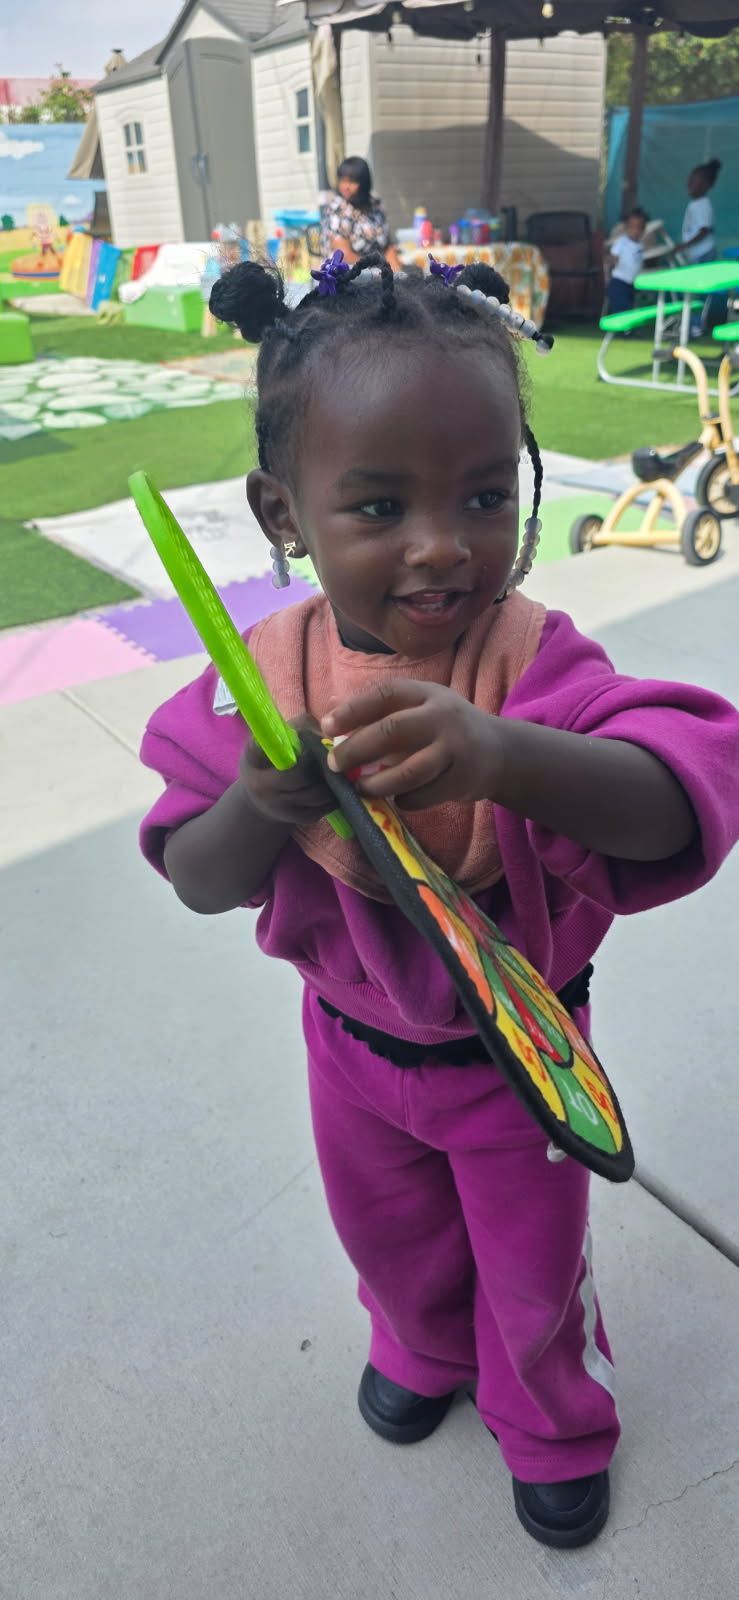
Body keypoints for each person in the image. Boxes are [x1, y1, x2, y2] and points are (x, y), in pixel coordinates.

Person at [139, 250, 739, 1551]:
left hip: (513, 1063)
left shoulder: (528, 660)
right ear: (281, 513)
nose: (438, 547)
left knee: (529, 1275)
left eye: (480, 494)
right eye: (376, 504)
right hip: (347, 1052)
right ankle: (416, 1348)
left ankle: (548, 1421)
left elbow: (680, 791)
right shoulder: (259, 681)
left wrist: (501, 751)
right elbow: (194, 875)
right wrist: (257, 802)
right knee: (388, 1234)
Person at [321, 156, 401, 272]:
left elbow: (387, 245)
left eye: (352, 181)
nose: (346, 187)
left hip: (378, 272)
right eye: (343, 181)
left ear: (364, 183)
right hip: (348, 274)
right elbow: (344, 254)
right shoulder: (338, 209)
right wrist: (376, 270)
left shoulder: (375, 206)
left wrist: (396, 270)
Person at [605, 207, 647, 315]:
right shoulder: (622, 242)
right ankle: (618, 331)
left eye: (639, 228)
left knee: (630, 307)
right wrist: (612, 260)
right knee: (621, 308)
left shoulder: (640, 245)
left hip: (631, 283)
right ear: (626, 228)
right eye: (632, 227)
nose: (635, 231)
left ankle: (627, 331)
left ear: (643, 229)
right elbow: (613, 256)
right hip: (619, 282)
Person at [681, 158, 721, 265]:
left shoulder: (702, 205)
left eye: (693, 182)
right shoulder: (696, 203)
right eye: (690, 180)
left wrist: (685, 245)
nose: (689, 183)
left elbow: (704, 231)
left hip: (703, 254)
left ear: (706, 185)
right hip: (698, 253)